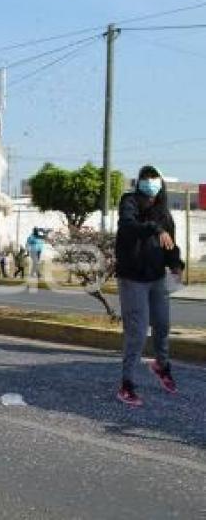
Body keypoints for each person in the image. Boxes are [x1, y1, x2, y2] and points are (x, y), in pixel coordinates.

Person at [115, 165, 184, 407]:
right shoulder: (129, 202)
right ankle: (127, 384)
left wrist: (176, 264)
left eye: (154, 181)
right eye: (146, 181)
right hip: (132, 278)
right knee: (137, 331)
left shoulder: (163, 212)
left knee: (163, 325)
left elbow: (171, 245)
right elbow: (128, 226)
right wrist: (155, 228)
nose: (151, 186)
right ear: (140, 183)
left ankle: (161, 366)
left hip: (157, 278)